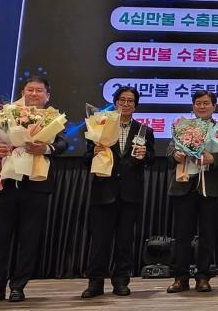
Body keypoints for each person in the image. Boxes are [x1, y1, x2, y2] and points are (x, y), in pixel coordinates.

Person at [0, 76, 68, 303]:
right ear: (23, 93)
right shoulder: (5, 115)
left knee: (29, 239)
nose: (34, 94)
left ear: (47, 96)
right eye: (30, 90)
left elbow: (62, 144)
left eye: (39, 90)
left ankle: (18, 286)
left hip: (36, 185)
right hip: (5, 184)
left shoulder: (52, 118)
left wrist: (46, 148)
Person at [81, 87, 155, 298]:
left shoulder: (144, 130)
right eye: (122, 100)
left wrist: (145, 155)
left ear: (135, 106)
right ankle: (95, 282)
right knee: (99, 241)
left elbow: (151, 160)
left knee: (125, 241)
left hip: (130, 193)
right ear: (115, 103)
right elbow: (85, 159)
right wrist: (93, 153)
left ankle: (121, 281)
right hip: (103, 190)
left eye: (130, 101)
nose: (126, 104)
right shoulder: (100, 126)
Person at [166, 90, 218, 293]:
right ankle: (180, 277)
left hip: (209, 188)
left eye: (206, 103)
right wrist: (175, 155)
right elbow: (169, 150)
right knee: (182, 235)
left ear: (214, 106)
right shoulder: (182, 126)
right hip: (183, 184)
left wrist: (215, 159)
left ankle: (203, 277)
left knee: (207, 235)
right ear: (193, 106)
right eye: (198, 103)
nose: (202, 106)